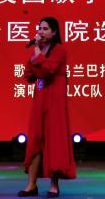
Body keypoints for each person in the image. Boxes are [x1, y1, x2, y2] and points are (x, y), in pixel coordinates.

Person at [17, 17, 76, 198]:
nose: (41, 32)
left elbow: (49, 69)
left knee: (54, 140)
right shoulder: (39, 51)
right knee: (36, 139)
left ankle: (54, 185)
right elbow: (29, 75)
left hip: (54, 99)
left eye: (45, 29)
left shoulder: (60, 50)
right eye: (39, 28)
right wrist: (34, 56)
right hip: (40, 99)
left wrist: (37, 53)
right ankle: (31, 185)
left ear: (54, 32)